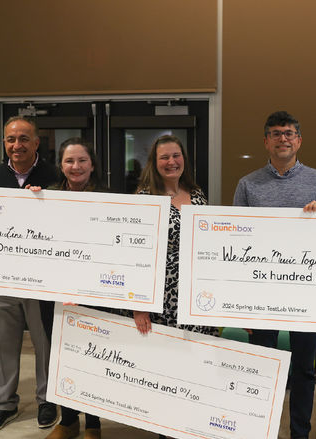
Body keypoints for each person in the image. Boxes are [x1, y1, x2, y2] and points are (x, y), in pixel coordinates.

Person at [234, 111, 316, 439]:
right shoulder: (247, 185)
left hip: (308, 292)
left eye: (289, 133)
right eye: (276, 133)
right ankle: (260, 430)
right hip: (262, 294)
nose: (283, 138)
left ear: (299, 141)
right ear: (266, 141)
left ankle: (299, 434)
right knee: (263, 367)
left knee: (305, 370)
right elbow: (236, 239)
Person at [0, 116, 59, 435]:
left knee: (45, 343)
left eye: (24, 138)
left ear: (36, 143)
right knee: (3, 343)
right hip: (1, 278)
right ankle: (5, 405)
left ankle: (46, 400)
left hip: (43, 280)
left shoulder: (54, 177)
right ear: (4, 143)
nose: (17, 145)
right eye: (11, 139)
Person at [129, 134, 215, 439]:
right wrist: (139, 305)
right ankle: (167, 429)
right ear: (154, 162)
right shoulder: (143, 200)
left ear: (183, 159)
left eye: (176, 155)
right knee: (165, 370)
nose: (171, 161)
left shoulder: (198, 195)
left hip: (196, 300)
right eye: (164, 157)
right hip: (162, 301)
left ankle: (189, 426)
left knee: (194, 366)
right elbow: (136, 256)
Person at [36, 138, 107, 439]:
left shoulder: (111, 198)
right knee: (60, 354)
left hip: (95, 293)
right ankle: (68, 420)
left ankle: (92, 423)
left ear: (92, 165)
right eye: (69, 161)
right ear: (61, 166)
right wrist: (30, 202)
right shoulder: (46, 197)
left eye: (82, 161)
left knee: (90, 355)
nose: (76, 167)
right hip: (54, 292)